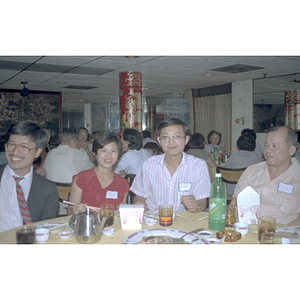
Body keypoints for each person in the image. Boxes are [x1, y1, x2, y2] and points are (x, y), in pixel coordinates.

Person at [131, 118, 211, 212]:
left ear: (186, 139)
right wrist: (139, 204)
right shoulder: (148, 165)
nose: (171, 142)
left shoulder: (199, 166)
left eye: (177, 137)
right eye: (166, 137)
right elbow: (139, 196)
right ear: (159, 141)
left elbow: (202, 200)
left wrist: (196, 206)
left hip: (185, 221)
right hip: (155, 219)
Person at [230, 126, 300, 225]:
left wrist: (281, 234)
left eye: (274, 146)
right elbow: (234, 204)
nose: (268, 150)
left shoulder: (297, 178)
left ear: (291, 150)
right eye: (266, 145)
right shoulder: (252, 171)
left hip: (281, 235)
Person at [0, 121, 58, 233]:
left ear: (37, 152)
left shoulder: (47, 189)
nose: (15, 152)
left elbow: (47, 229)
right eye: (11, 144)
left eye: (24, 147)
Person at [67, 133, 130, 214]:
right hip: (88, 224)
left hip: (112, 226)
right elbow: (69, 210)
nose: (109, 155)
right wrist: (74, 210)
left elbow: (122, 210)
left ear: (118, 155)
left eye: (113, 151)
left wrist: (124, 210)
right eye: (104, 150)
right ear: (95, 153)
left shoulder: (123, 183)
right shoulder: (82, 178)